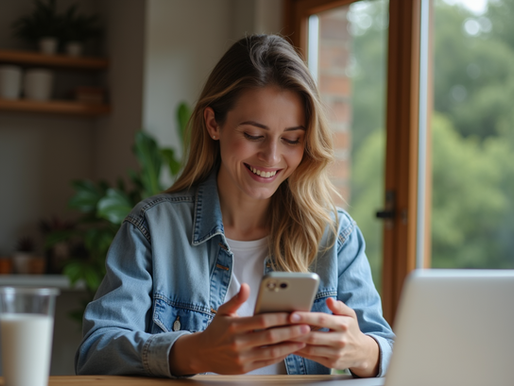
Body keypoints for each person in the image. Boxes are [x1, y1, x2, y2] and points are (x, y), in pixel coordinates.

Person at [75, 34, 394, 378]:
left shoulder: (334, 237)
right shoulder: (152, 228)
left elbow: (390, 351)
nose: (271, 157)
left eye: (291, 139)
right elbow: (97, 351)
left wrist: (363, 352)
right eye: (254, 135)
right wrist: (194, 353)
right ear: (214, 124)